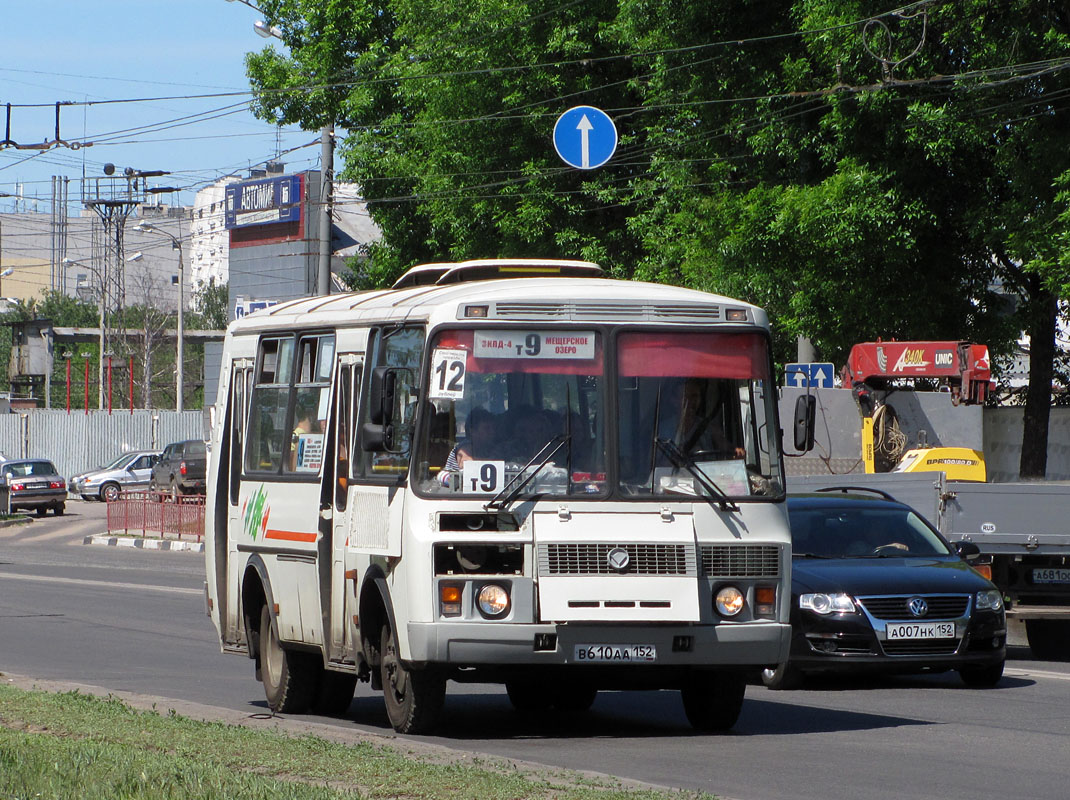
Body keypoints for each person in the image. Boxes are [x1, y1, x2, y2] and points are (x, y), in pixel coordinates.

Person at [443, 407, 497, 471]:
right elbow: (465, 462)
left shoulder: (486, 448)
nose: (492, 431)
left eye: (493, 428)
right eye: (487, 428)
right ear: (473, 431)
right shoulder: (465, 446)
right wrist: (497, 464)